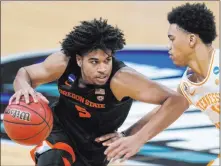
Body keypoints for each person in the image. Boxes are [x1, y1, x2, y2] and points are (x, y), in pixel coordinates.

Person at [9, 18, 188, 166]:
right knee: (52, 158)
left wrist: (134, 137)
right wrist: (24, 88)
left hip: (95, 148)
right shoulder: (62, 63)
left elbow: (177, 101)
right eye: (94, 62)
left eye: (107, 60)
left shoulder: (122, 79)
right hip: (59, 129)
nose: (103, 68)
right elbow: (25, 73)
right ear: (79, 60)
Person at [97, 3, 219, 166]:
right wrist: (128, 136)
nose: (168, 46)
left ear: (191, 40)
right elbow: (167, 110)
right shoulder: (189, 84)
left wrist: (138, 140)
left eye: (172, 39)